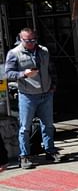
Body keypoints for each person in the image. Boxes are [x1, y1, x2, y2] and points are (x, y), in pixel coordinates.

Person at [5, 27, 59, 168]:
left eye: (33, 40)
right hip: (27, 95)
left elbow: (51, 69)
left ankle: (50, 151)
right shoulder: (14, 53)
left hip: (46, 93)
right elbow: (8, 73)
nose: (31, 43)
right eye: (27, 40)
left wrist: (53, 85)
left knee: (48, 125)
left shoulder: (44, 51)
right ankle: (24, 156)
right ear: (20, 39)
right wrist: (23, 74)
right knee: (25, 127)